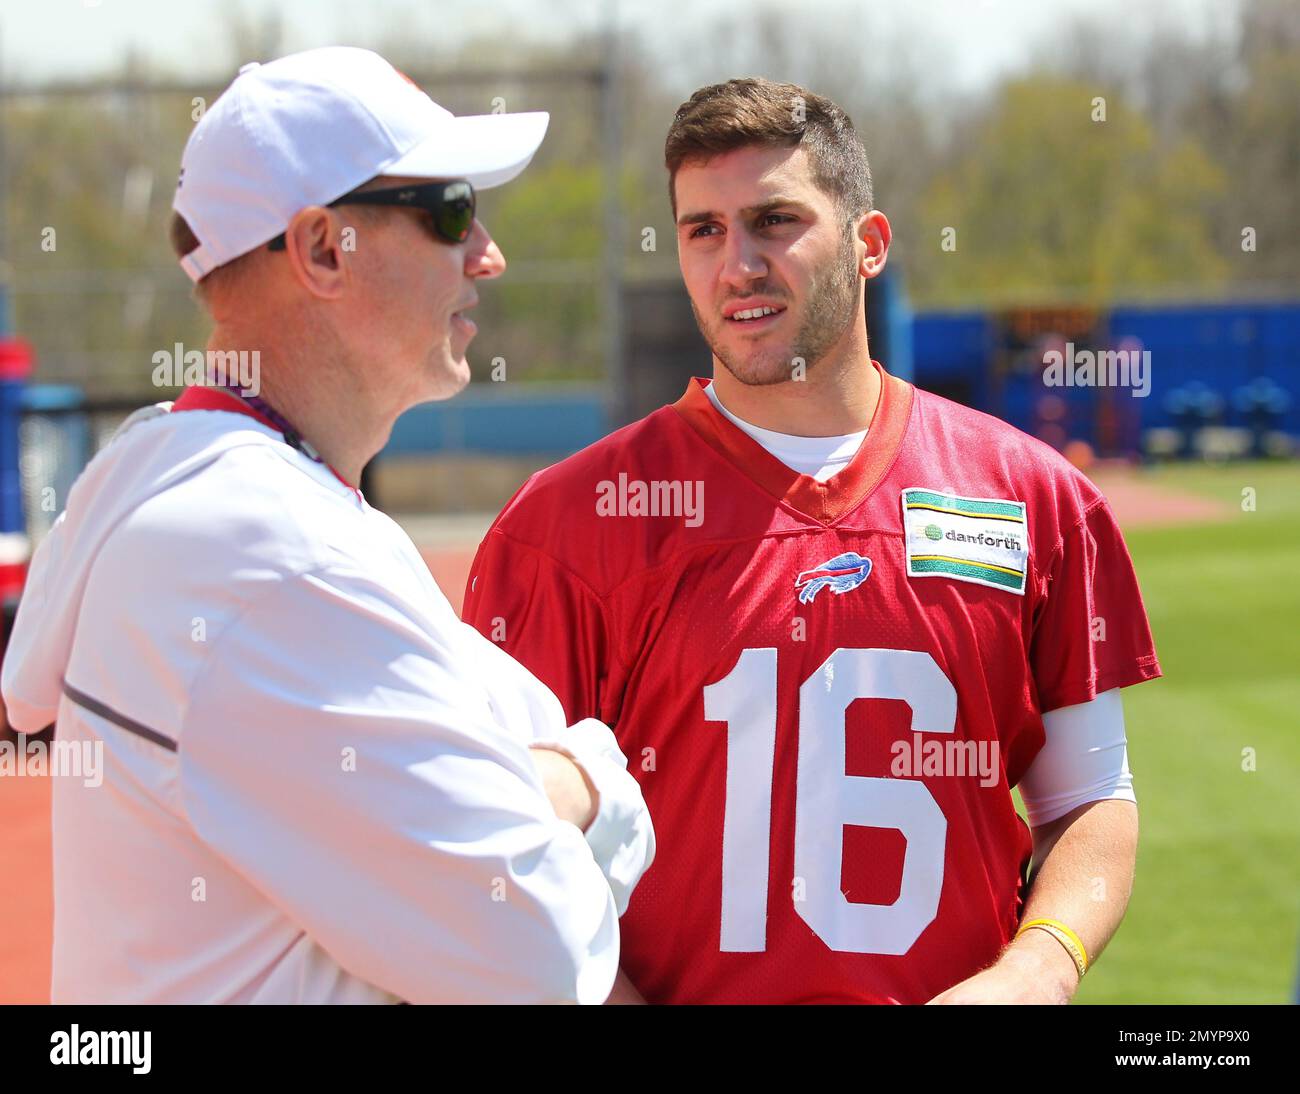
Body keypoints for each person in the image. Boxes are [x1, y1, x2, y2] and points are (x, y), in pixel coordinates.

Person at [463, 78, 1159, 1004]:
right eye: (702, 230)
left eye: (775, 220)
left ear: (869, 245)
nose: (737, 264)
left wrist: (1036, 972)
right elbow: (504, 854)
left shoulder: (1036, 499)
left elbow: (1089, 799)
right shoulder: (567, 526)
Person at [1, 46, 653, 1004]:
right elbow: (542, 956)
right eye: (451, 210)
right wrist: (585, 786)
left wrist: (537, 782)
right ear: (318, 251)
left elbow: (533, 735)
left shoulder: (201, 482)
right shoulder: (270, 553)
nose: (489, 253)